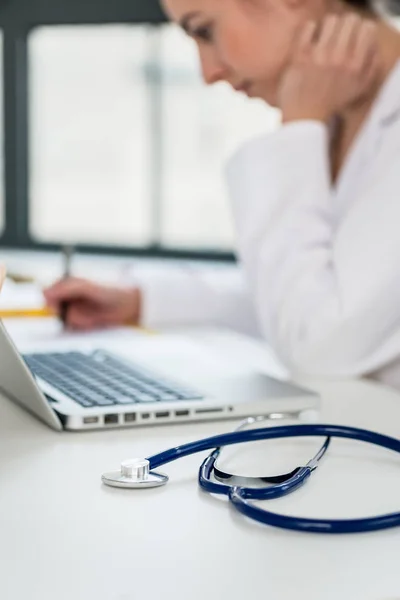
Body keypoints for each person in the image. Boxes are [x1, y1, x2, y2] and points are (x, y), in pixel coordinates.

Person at [45, 0, 400, 389]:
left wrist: (299, 126)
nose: (208, 73)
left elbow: (320, 344)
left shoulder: (333, 123)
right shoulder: (348, 119)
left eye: (204, 31)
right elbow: (303, 294)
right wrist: (141, 300)